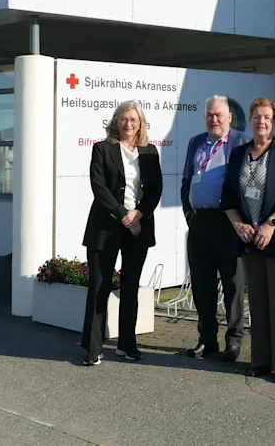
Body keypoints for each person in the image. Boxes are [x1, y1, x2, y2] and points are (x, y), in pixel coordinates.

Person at [221, 98, 275, 384]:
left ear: (274, 121)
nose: (261, 122)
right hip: (249, 239)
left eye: (267, 117)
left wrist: (270, 225)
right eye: (257, 116)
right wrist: (239, 225)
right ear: (250, 120)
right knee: (257, 301)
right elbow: (228, 196)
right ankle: (260, 360)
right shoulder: (238, 154)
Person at [81, 100, 163, 366]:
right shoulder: (102, 149)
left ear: (141, 124)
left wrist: (138, 215)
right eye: (124, 119)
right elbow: (99, 187)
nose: (128, 124)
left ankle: (127, 344)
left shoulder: (150, 151)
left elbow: (155, 189)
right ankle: (93, 347)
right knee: (99, 286)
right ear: (116, 122)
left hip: (138, 227)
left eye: (133, 120)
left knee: (130, 287)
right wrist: (123, 214)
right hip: (105, 226)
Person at [180, 95, 252, 361]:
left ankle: (234, 341)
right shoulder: (196, 142)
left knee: (233, 284)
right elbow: (187, 179)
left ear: (229, 117)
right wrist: (189, 212)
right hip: (199, 222)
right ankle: (207, 339)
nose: (214, 119)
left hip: (228, 223)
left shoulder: (241, 142)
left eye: (219, 114)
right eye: (210, 115)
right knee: (202, 284)